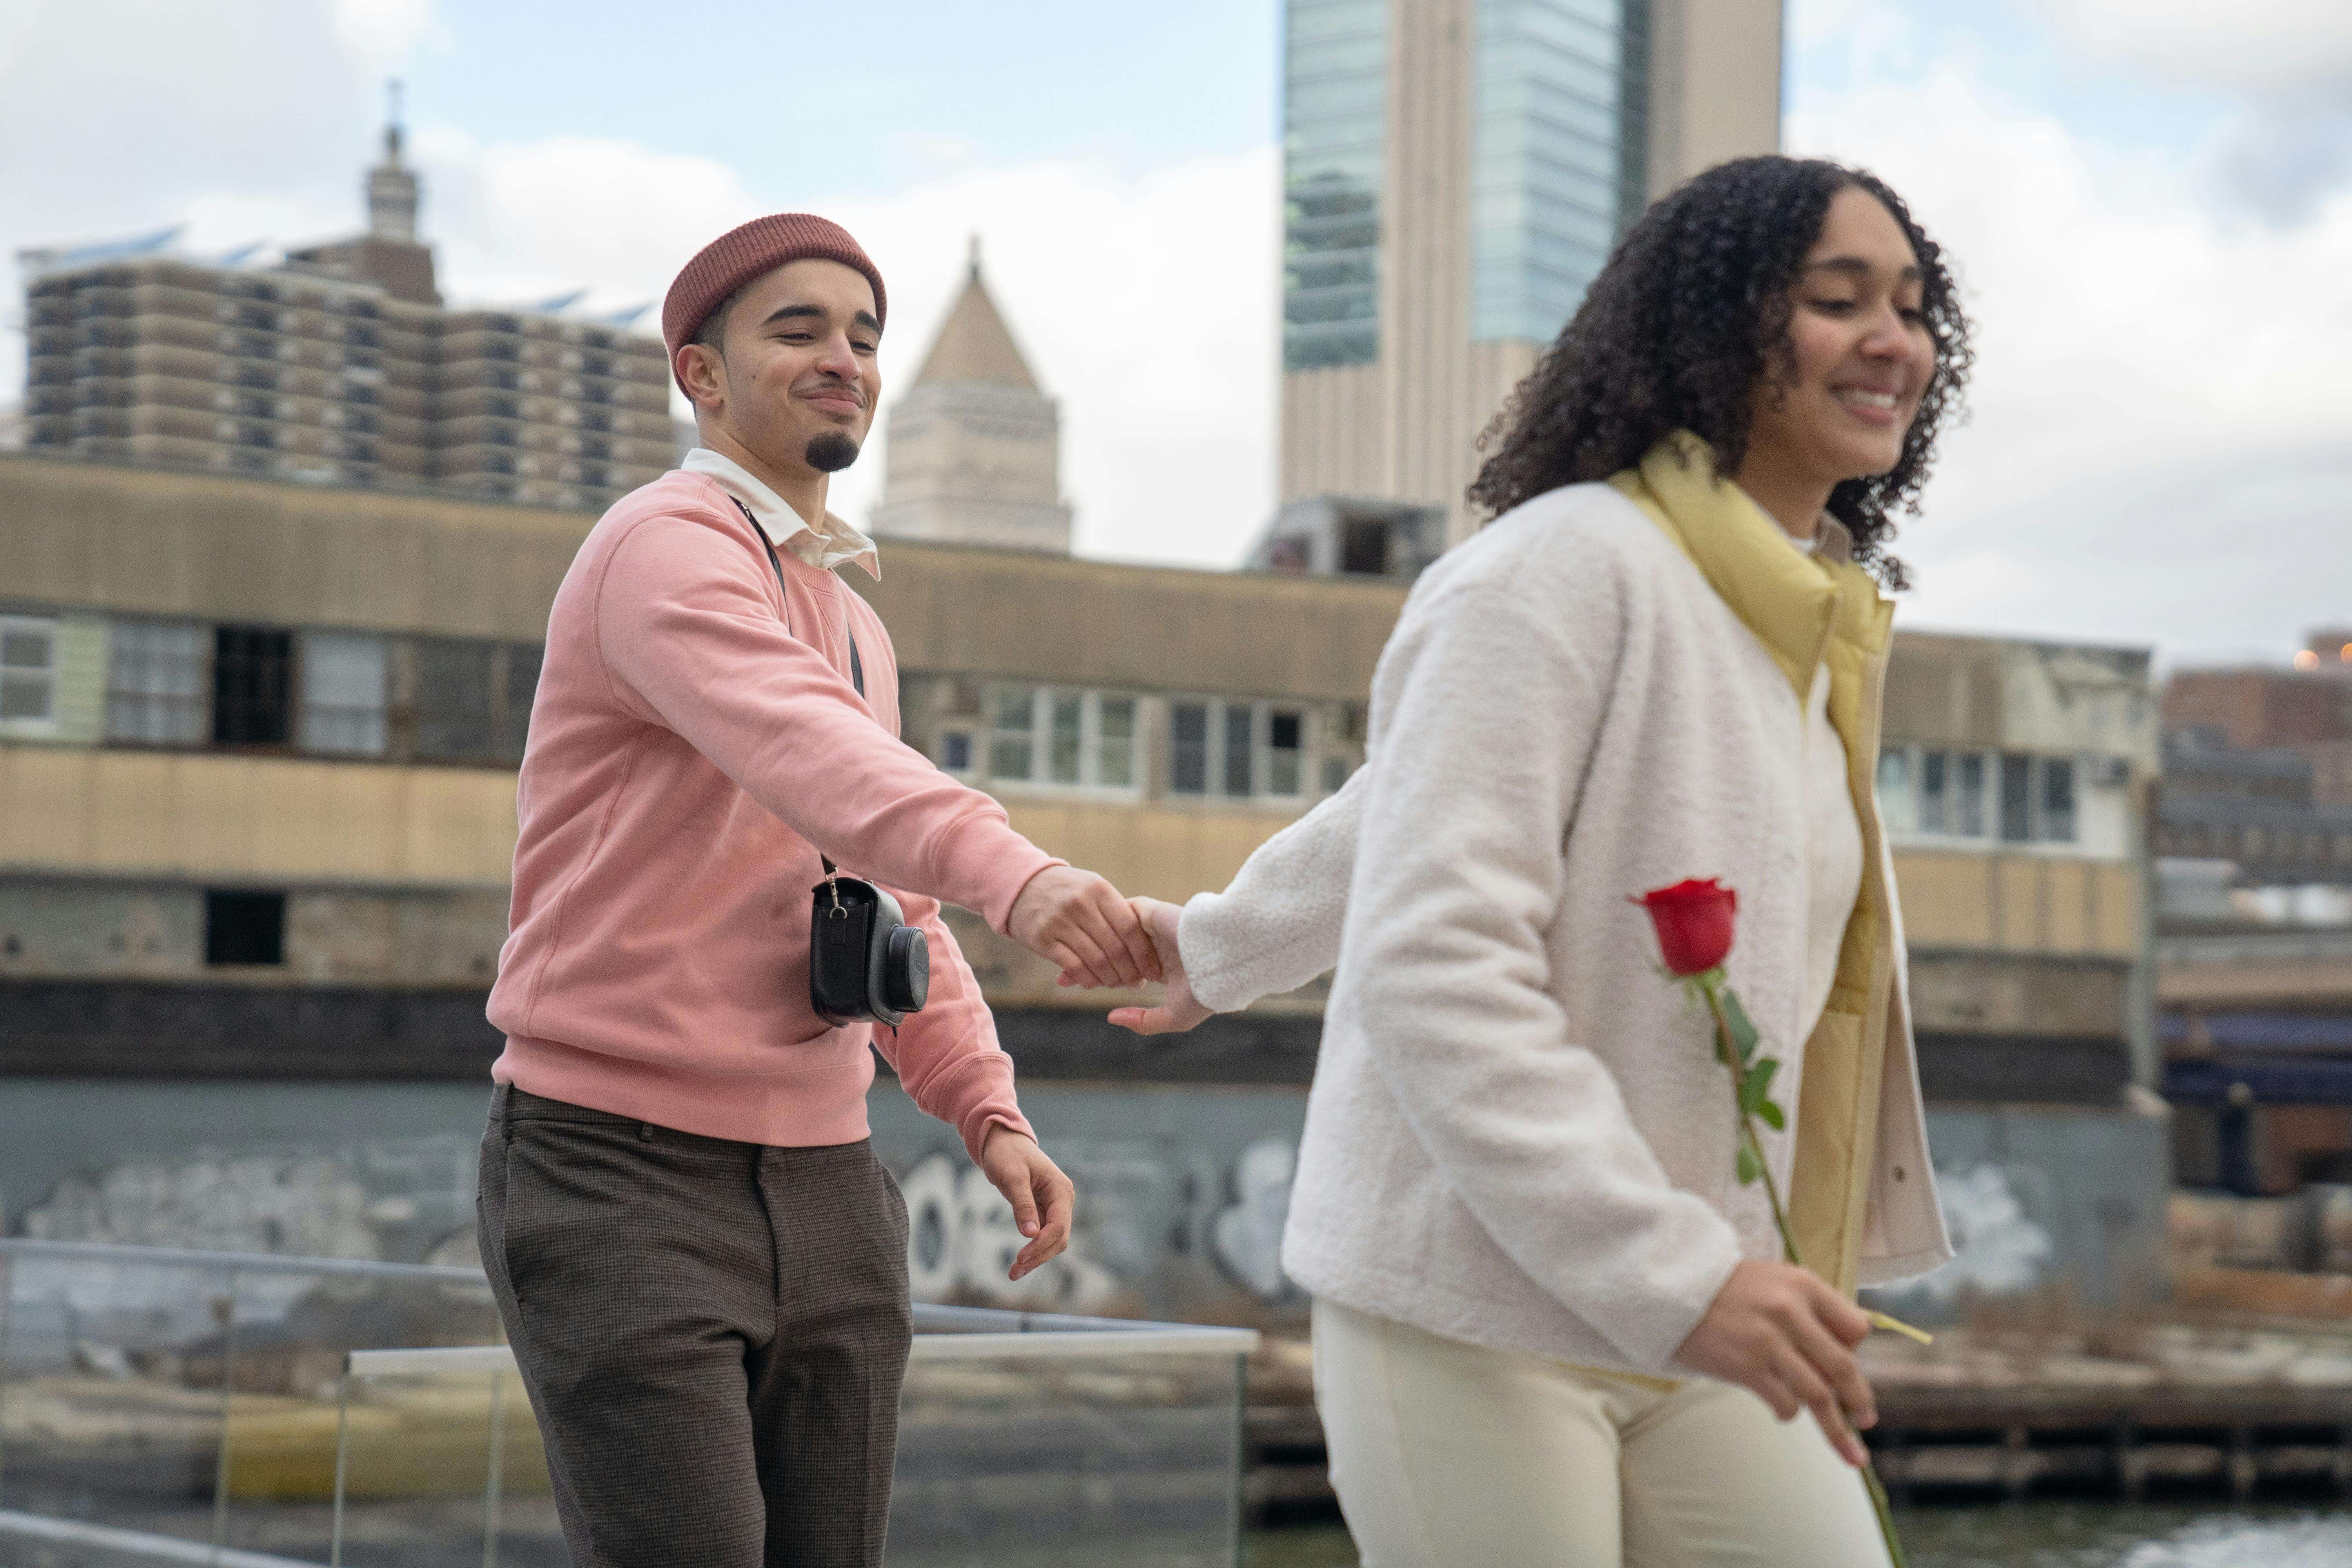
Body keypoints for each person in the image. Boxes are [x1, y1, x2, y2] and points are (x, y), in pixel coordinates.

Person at [1110, 157, 1971, 1566]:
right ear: (1716, 326)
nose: (1896, 340)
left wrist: (1216, 948)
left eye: (1915, 305)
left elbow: (1406, 803)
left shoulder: (1793, 612)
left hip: (1704, 1297)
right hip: (1473, 1307)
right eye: (1839, 300)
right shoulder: (1558, 572)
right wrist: (1683, 1277)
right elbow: (1436, 955)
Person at [477, 212, 1159, 1568]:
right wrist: (1023, 875)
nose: (843, 356)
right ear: (703, 375)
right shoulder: (663, 548)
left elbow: (889, 893)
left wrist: (984, 1106)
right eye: (797, 329)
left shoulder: (853, 616)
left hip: (833, 1180)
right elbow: (819, 757)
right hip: (619, 1172)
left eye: (862, 334)